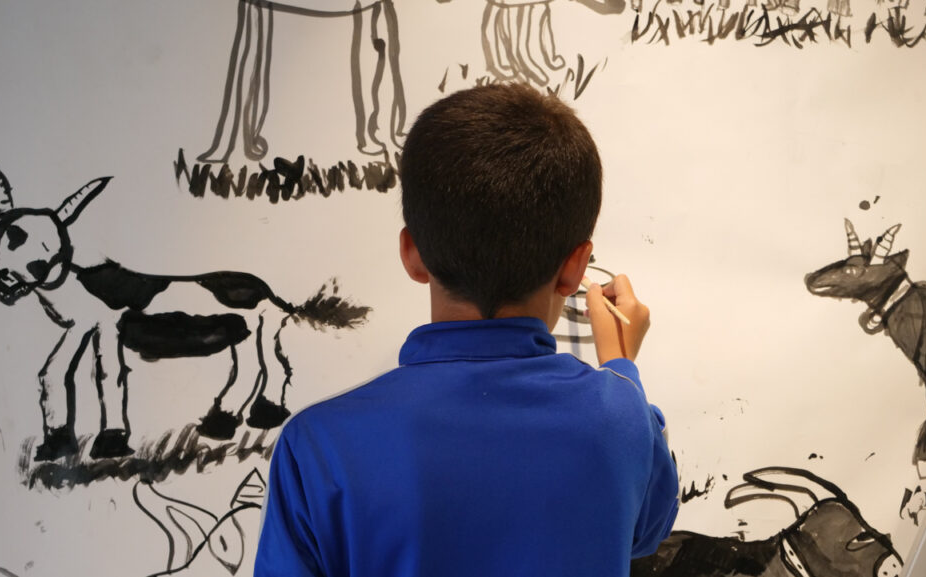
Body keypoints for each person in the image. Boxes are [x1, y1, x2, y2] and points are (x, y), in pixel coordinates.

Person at [254, 82, 678, 577]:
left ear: (412, 254)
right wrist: (623, 369)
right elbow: (645, 530)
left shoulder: (317, 446)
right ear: (575, 268)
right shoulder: (620, 417)